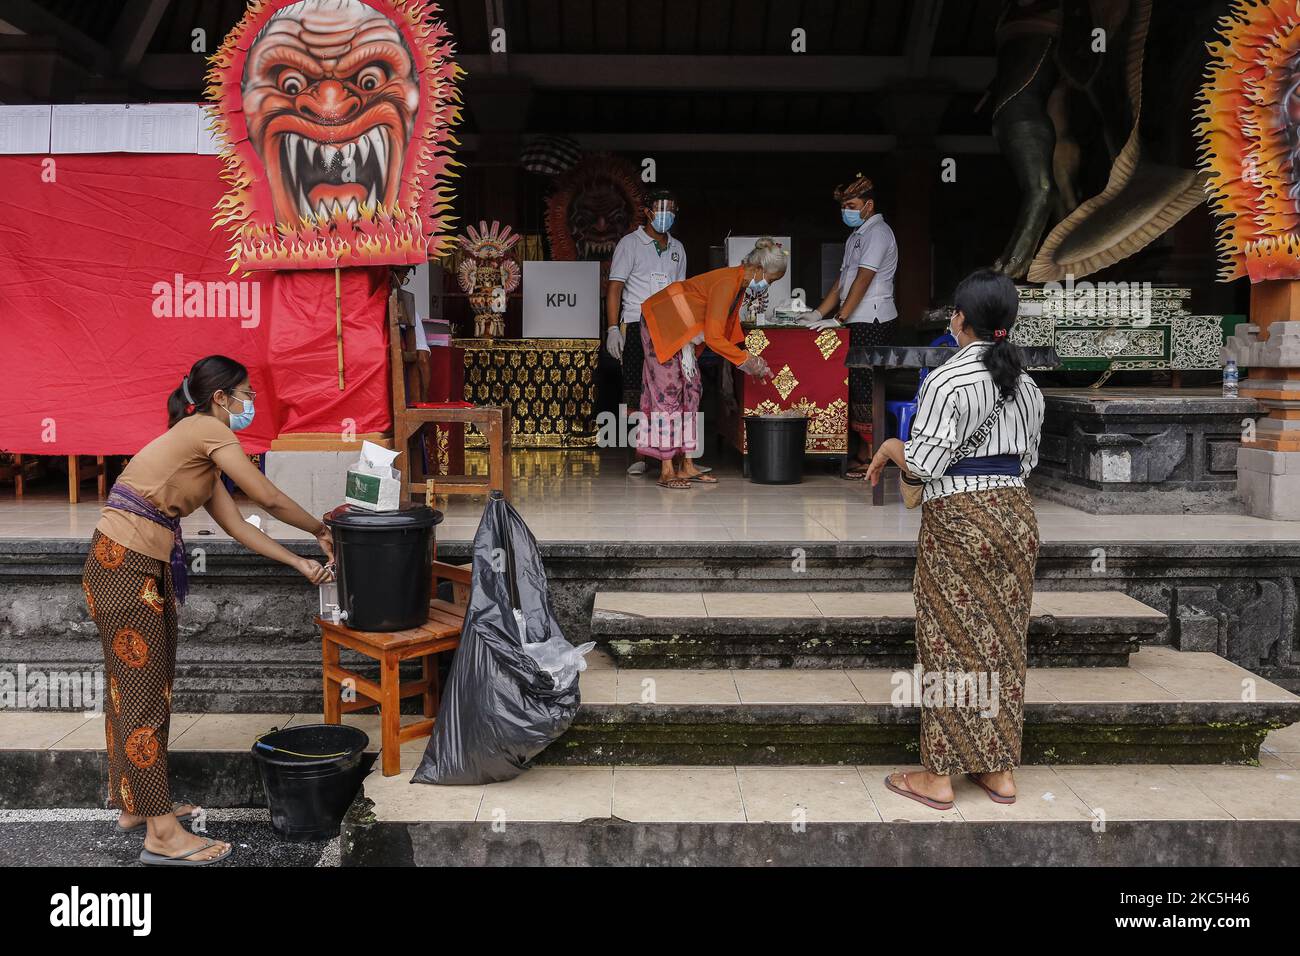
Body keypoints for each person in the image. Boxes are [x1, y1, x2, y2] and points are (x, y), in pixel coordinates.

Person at [83, 355, 334, 865]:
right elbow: (265, 496)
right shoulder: (204, 429)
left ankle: (135, 804)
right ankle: (161, 833)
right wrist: (319, 529)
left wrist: (299, 564)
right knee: (141, 696)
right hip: (124, 566)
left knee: (137, 689)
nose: (250, 403)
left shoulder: (198, 447)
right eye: (245, 394)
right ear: (220, 397)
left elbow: (239, 525)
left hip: (131, 565)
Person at [865, 269, 1045, 811]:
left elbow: (922, 463)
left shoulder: (947, 380)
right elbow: (1028, 461)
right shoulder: (1028, 384)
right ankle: (998, 770)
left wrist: (890, 447)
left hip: (960, 520)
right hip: (1016, 516)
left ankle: (939, 777)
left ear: (958, 320)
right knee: (1003, 644)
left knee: (948, 646)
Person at [637, 237, 782, 488]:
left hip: (684, 334)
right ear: (759, 269)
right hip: (662, 324)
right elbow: (715, 338)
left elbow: (726, 332)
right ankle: (667, 468)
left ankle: (687, 464)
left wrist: (751, 362)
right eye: (771, 280)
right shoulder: (728, 283)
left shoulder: (738, 285)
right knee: (668, 391)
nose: (768, 286)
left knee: (693, 390)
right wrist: (747, 361)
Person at [800, 173, 899, 477]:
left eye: (852, 205)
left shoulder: (879, 233)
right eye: (844, 206)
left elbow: (863, 280)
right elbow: (842, 282)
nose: (847, 211)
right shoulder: (856, 236)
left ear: (869, 205)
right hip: (854, 318)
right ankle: (861, 450)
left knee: (867, 387)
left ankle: (872, 454)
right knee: (854, 388)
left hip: (872, 318)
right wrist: (817, 314)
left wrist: (839, 318)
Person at [605, 189, 687, 475]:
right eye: (662, 209)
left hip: (668, 327)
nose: (667, 215)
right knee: (634, 390)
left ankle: (666, 453)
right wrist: (613, 327)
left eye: (672, 210)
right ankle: (637, 454)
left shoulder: (677, 248)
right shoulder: (630, 244)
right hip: (637, 322)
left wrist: (687, 331)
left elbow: (681, 293)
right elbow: (615, 287)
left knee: (667, 390)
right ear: (648, 212)